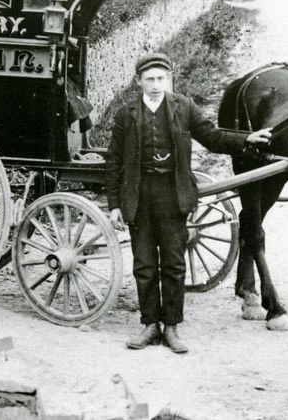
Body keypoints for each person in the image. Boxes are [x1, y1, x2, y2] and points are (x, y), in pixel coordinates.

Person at [106, 52, 272, 354]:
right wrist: (115, 204)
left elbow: (213, 138)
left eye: (161, 78)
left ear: (169, 79)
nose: (156, 85)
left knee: (174, 264)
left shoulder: (184, 107)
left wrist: (246, 139)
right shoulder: (125, 115)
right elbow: (114, 161)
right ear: (138, 81)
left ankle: (171, 328)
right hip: (139, 197)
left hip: (173, 195)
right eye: (149, 79)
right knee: (144, 265)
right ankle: (150, 326)